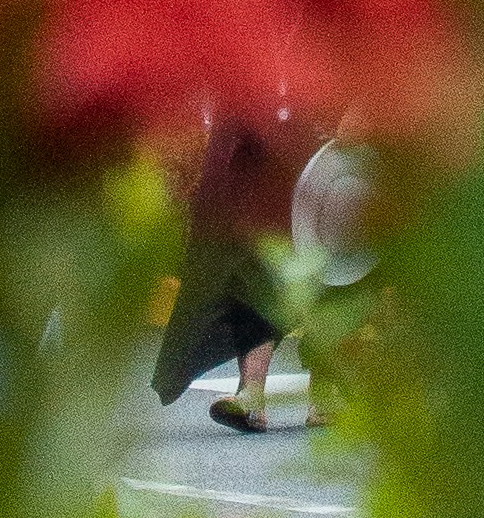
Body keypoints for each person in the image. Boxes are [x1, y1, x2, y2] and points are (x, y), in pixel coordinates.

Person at [151, 119, 376, 433]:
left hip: (334, 140)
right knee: (253, 264)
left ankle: (326, 394)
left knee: (335, 266)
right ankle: (252, 394)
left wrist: (358, 113)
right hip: (267, 139)